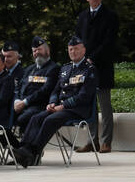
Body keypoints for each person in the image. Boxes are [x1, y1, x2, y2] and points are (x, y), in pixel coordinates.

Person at [17, 34, 102, 166]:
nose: (73, 52)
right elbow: (56, 90)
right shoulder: (65, 68)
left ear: (84, 50)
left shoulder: (89, 70)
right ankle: (23, 149)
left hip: (77, 109)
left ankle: (32, 151)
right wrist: (52, 102)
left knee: (50, 119)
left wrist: (62, 106)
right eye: (70, 49)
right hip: (60, 108)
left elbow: (83, 96)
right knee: (36, 117)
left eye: (76, 49)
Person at [73, 0, 119, 151]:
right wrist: (79, 58)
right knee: (89, 104)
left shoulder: (110, 16)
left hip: (102, 66)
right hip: (85, 67)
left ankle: (106, 141)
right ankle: (92, 142)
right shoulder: (83, 16)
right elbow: (77, 39)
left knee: (104, 105)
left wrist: (91, 58)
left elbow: (109, 42)